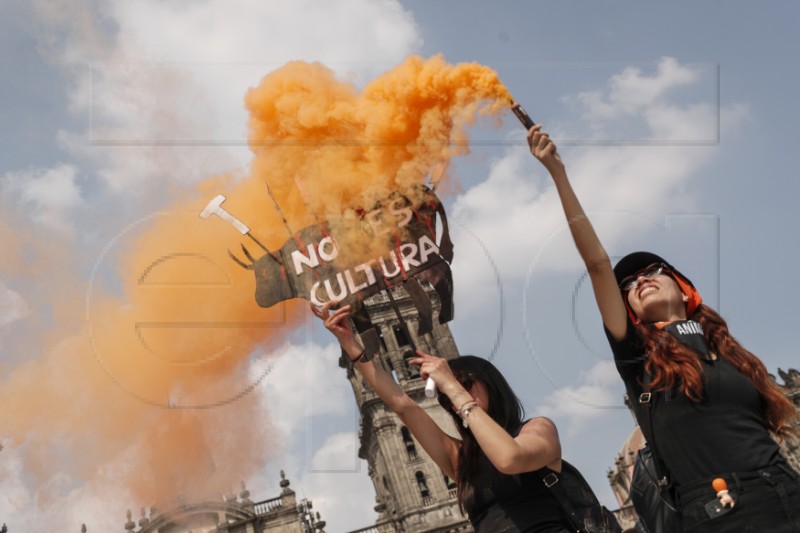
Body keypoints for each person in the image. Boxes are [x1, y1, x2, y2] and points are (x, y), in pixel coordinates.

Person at [528, 123, 800, 532]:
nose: (640, 280)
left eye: (652, 270)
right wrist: (558, 173)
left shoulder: (723, 347)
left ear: (684, 286)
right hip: (722, 514)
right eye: (629, 285)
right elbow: (597, 264)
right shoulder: (637, 354)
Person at [311, 301, 615, 533]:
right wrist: (349, 343)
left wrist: (453, 388)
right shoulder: (462, 460)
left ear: (490, 383)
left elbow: (509, 458)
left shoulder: (538, 429)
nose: (453, 395)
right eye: (446, 393)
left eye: (464, 383)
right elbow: (403, 405)